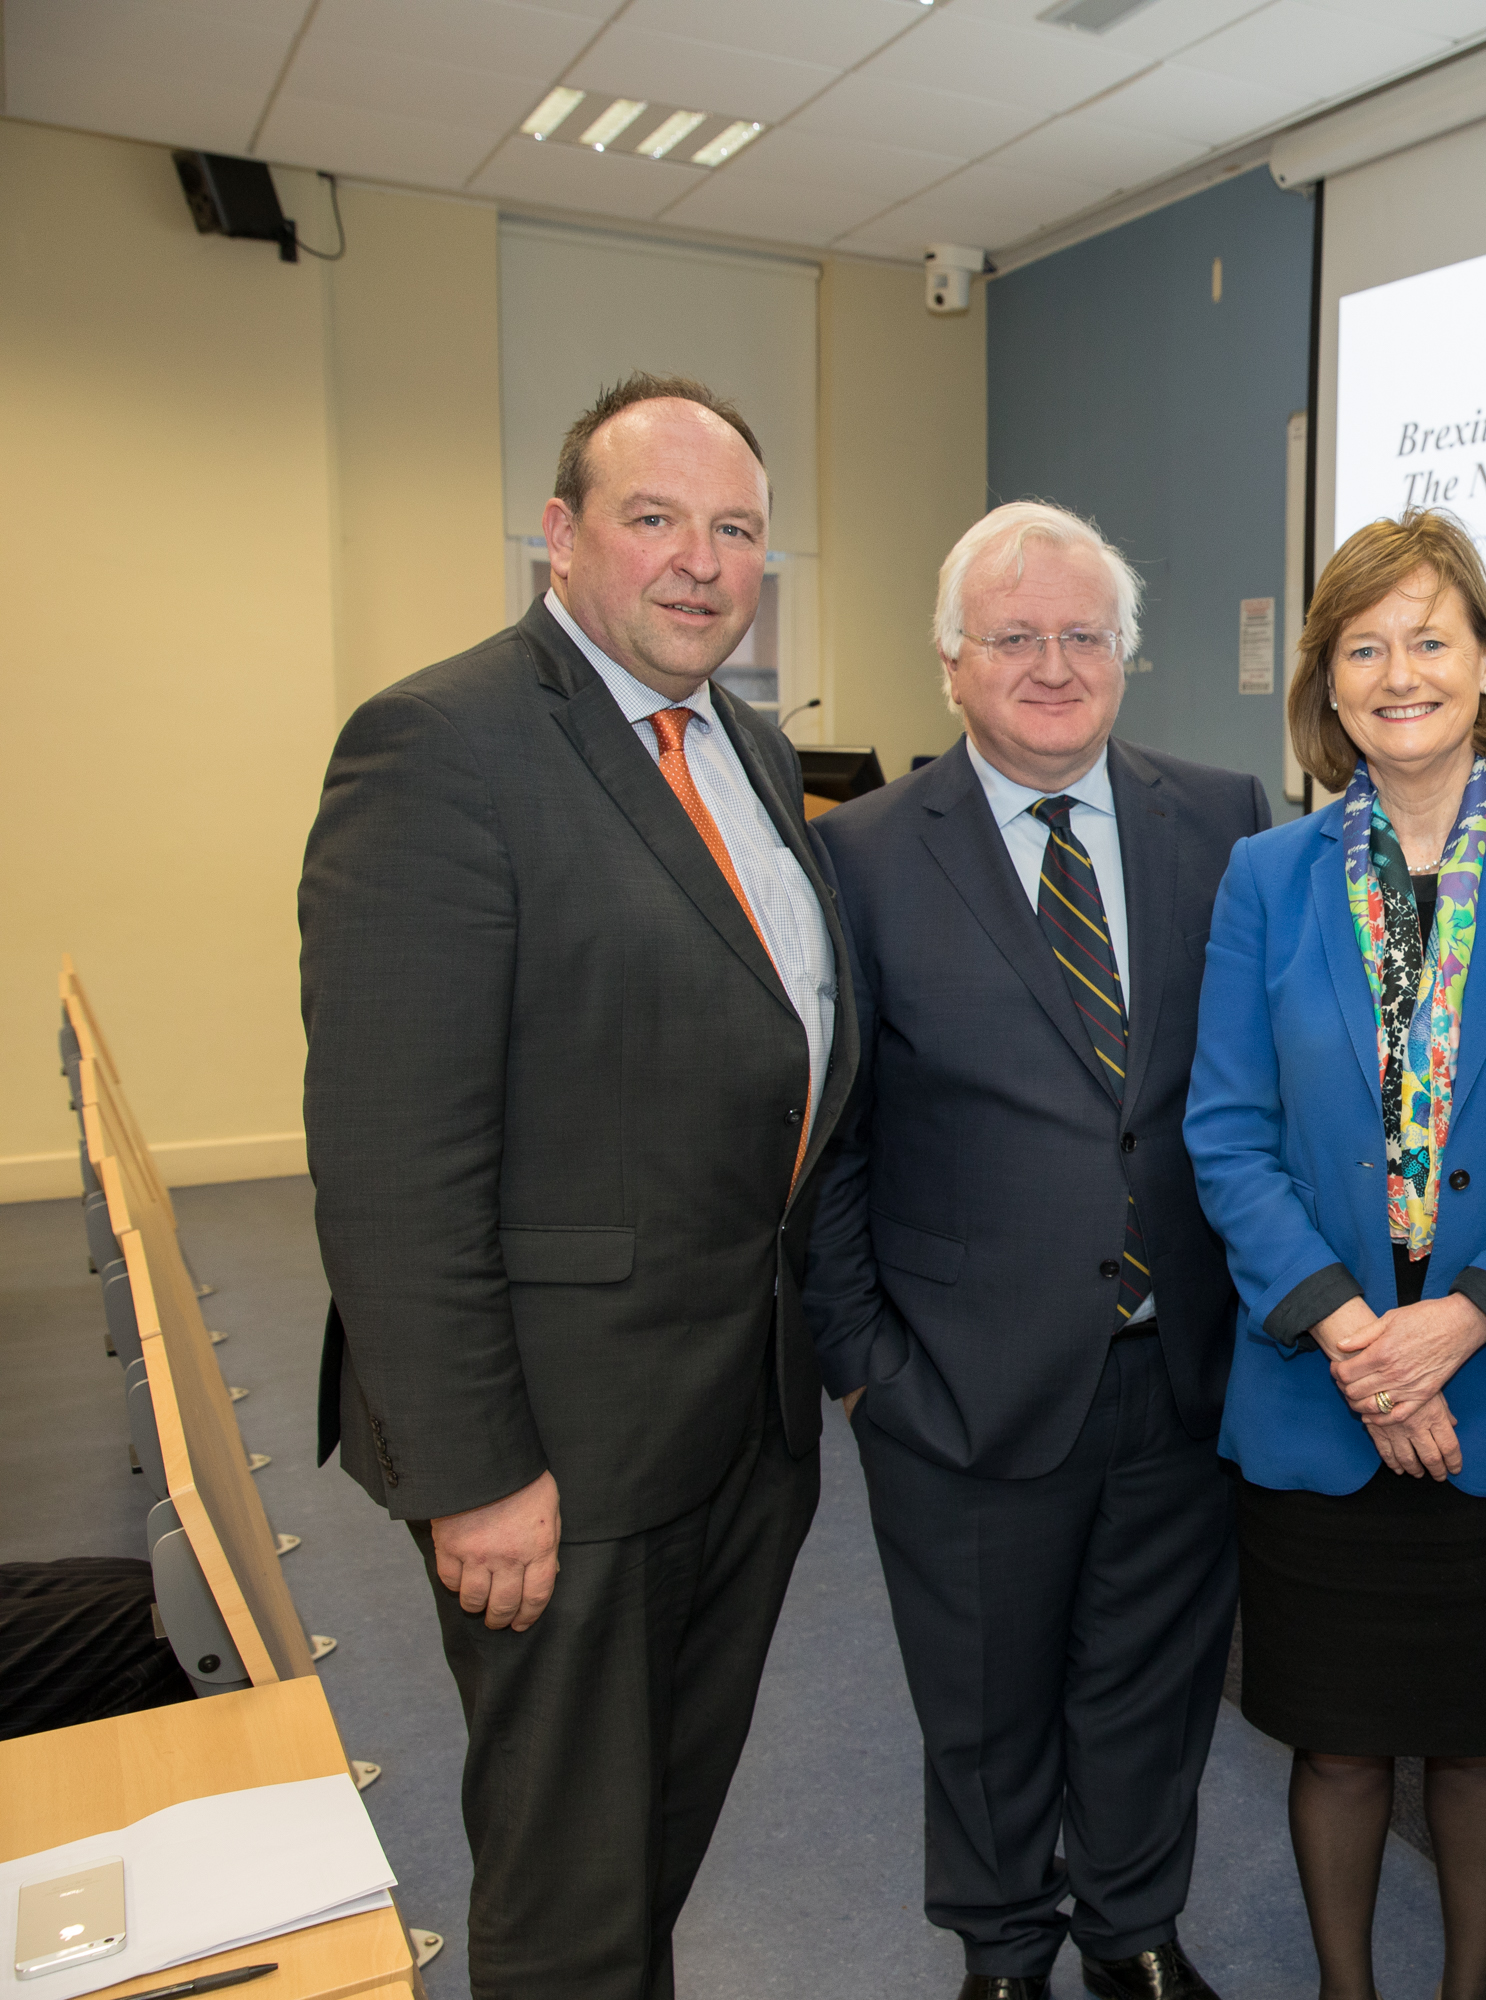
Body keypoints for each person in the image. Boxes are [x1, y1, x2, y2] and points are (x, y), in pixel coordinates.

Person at [302, 373, 855, 1999]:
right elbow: (395, 1155)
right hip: (556, 1454)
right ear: (561, 533)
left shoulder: (748, 744)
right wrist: (473, 1472)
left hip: (737, 1412)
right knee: (565, 1883)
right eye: (656, 518)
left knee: (652, 1843)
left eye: (737, 528)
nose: (702, 560)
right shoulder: (440, 743)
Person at [802, 501, 1270, 2000]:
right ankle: (1002, 1949)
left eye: (1085, 636)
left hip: (1179, 1365)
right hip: (955, 1380)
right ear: (952, 662)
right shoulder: (863, 855)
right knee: (985, 1701)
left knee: (1152, 1684)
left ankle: (1133, 1931)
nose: (1054, 665)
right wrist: (866, 1365)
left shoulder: (1221, 815)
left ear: (1126, 657)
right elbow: (826, 1137)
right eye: (1017, 637)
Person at [1186, 510, 1486, 2000]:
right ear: (1327, 682)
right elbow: (1226, 1133)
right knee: (1338, 1738)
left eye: (1431, 637)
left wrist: (1459, 1325)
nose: (1399, 671)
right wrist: (1358, 1338)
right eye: (1363, 645)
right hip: (1323, 1391)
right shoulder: (1269, 874)